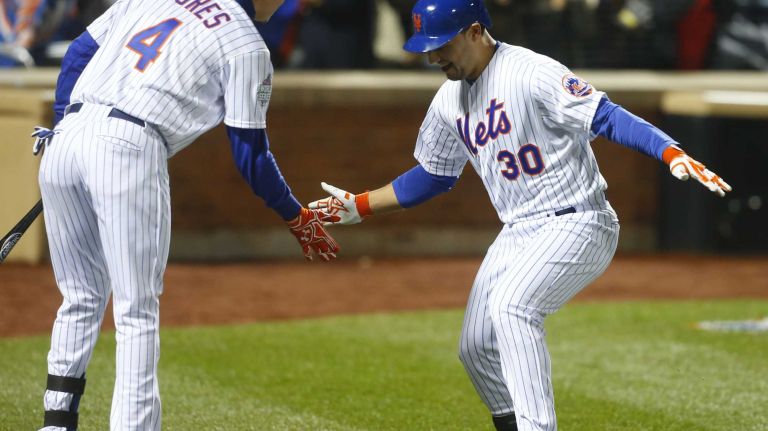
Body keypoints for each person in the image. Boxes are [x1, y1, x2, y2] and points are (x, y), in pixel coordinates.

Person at [308, 0, 730, 430]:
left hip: (578, 220)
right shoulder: (447, 100)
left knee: (513, 307)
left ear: (475, 31)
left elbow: (605, 116)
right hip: (518, 231)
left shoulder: (531, 72)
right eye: (427, 46)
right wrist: (361, 204)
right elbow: (434, 175)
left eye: (441, 43)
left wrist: (669, 150)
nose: (432, 56)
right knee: (476, 347)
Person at [33, 0, 340, 429]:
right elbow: (250, 153)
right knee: (136, 310)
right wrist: (295, 215)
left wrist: (62, 125)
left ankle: (55, 422)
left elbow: (78, 52)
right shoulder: (246, 43)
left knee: (80, 297)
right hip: (129, 145)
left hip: (66, 136)